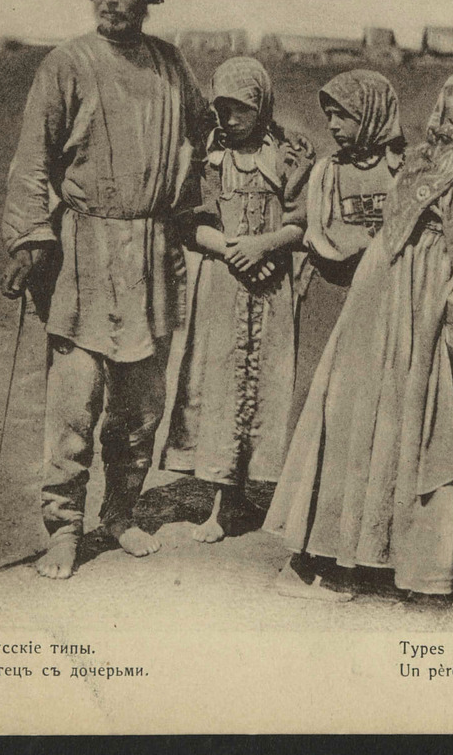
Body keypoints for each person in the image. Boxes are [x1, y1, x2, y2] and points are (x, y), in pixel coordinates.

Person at [264, 63, 453, 601]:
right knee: (406, 414)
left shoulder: (433, 153)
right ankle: (346, 562)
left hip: (382, 282)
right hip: (411, 291)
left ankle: (337, 555)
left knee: (360, 412)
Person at [2, 0, 208, 579]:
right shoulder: (67, 64)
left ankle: (119, 512)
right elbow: (32, 163)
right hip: (85, 254)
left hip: (153, 252)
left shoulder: (171, 65)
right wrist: (31, 237)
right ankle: (63, 527)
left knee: (141, 406)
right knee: (75, 402)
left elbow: (210, 131)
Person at [163, 57, 315, 542]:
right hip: (222, 285)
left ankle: (241, 495)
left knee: (264, 385)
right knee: (220, 383)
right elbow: (191, 224)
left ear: (262, 106)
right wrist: (235, 251)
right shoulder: (210, 157)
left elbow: (300, 223)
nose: (228, 119)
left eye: (240, 109)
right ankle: (217, 503)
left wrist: (264, 247)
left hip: (270, 288)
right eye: (221, 109)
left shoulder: (288, 156)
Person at [294, 70, 405, 422]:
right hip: (331, 289)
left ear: (371, 114)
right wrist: (373, 241)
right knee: (318, 383)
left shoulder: (402, 169)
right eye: (329, 116)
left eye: (343, 115)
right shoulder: (327, 171)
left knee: (375, 384)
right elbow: (323, 236)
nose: (332, 125)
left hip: (383, 292)